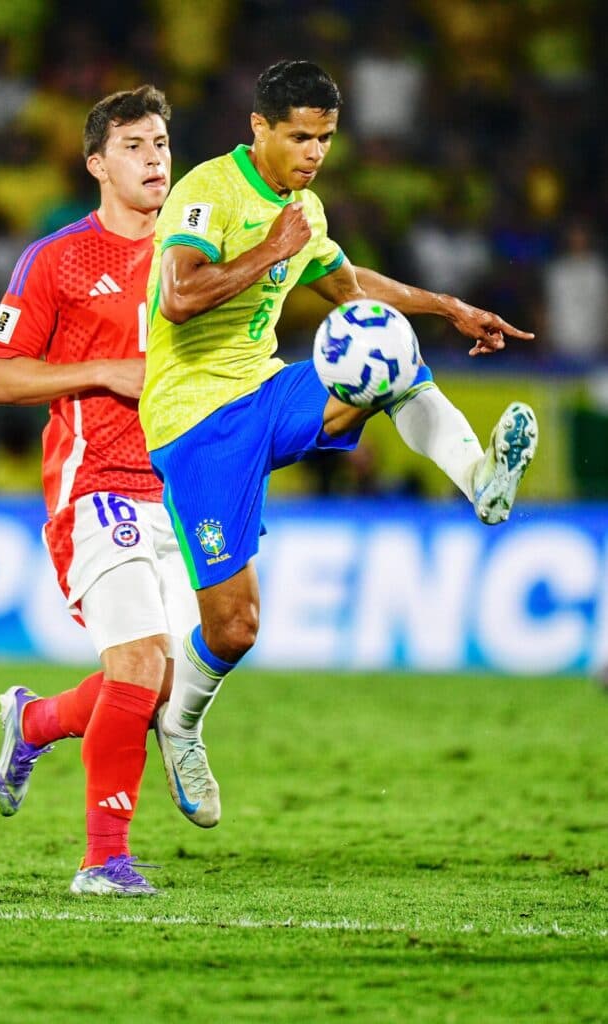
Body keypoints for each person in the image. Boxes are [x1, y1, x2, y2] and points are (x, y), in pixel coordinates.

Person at [139, 60, 538, 826]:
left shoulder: (304, 210)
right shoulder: (206, 193)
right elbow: (180, 297)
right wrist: (268, 251)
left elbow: (349, 284)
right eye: (299, 137)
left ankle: (480, 481)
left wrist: (448, 307)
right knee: (234, 627)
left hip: (263, 389)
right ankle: (180, 725)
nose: (313, 153)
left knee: (383, 351)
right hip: (193, 423)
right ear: (258, 128)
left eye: (324, 139)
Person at [0, 86, 218, 898]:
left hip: (177, 493)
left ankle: (35, 721)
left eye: (162, 143)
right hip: (95, 489)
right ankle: (103, 863)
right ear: (96, 165)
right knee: (140, 662)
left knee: (151, 687)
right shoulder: (58, 259)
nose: (156, 158)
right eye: (135, 146)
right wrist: (100, 371)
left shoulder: (192, 258)